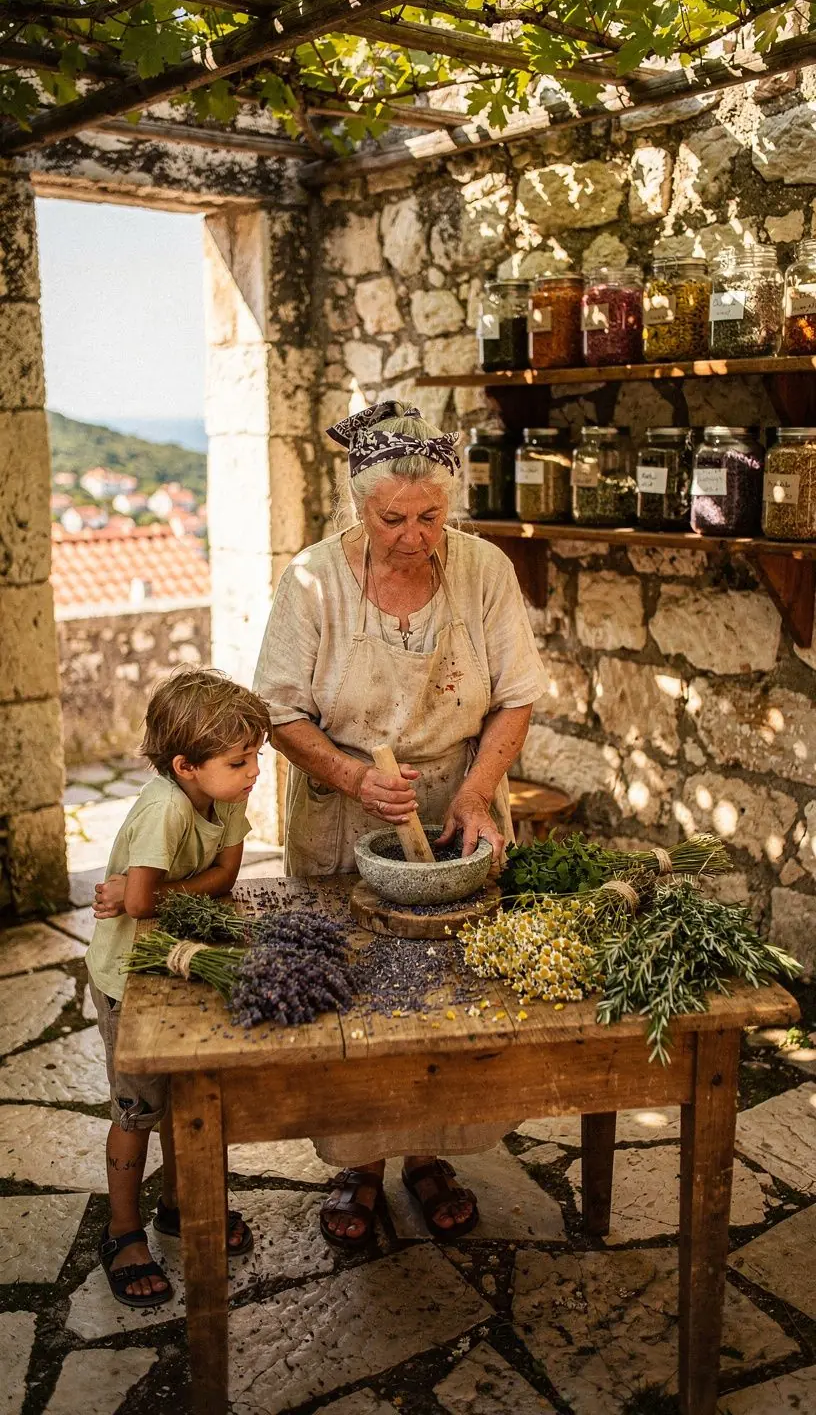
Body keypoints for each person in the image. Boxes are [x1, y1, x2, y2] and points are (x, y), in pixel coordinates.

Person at [254, 400, 547, 1251]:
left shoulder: (483, 570)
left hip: (458, 794)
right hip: (342, 809)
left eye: (431, 516)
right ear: (358, 508)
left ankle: (429, 1153)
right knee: (355, 995)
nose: (416, 536)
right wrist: (353, 775)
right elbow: (277, 709)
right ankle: (358, 1164)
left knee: (446, 992)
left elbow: (516, 695)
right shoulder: (312, 580)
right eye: (394, 520)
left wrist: (476, 794)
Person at [87, 667, 272, 1307]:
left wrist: (152, 893)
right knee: (138, 1109)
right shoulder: (165, 809)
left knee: (185, 1090)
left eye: (255, 756)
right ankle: (121, 1230)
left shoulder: (226, 794)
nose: (254, 772)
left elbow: (223, 876)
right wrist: (145, 894)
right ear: (185, 766)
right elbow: (139, 905)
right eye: (240, 761)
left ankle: (178, 1203)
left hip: (176, 960)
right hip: (128, 977)